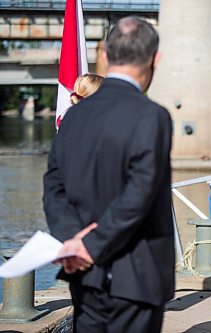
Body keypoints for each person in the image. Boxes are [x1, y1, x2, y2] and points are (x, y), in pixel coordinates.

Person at [43, 16, 174, 332]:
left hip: (82, 274)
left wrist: (71, 239)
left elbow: (53, 185)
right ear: (155, 59)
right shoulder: (151, 116)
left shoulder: (73, 116)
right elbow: (140, 190)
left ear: (104, 54)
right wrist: (93, 244)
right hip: (136, 277)